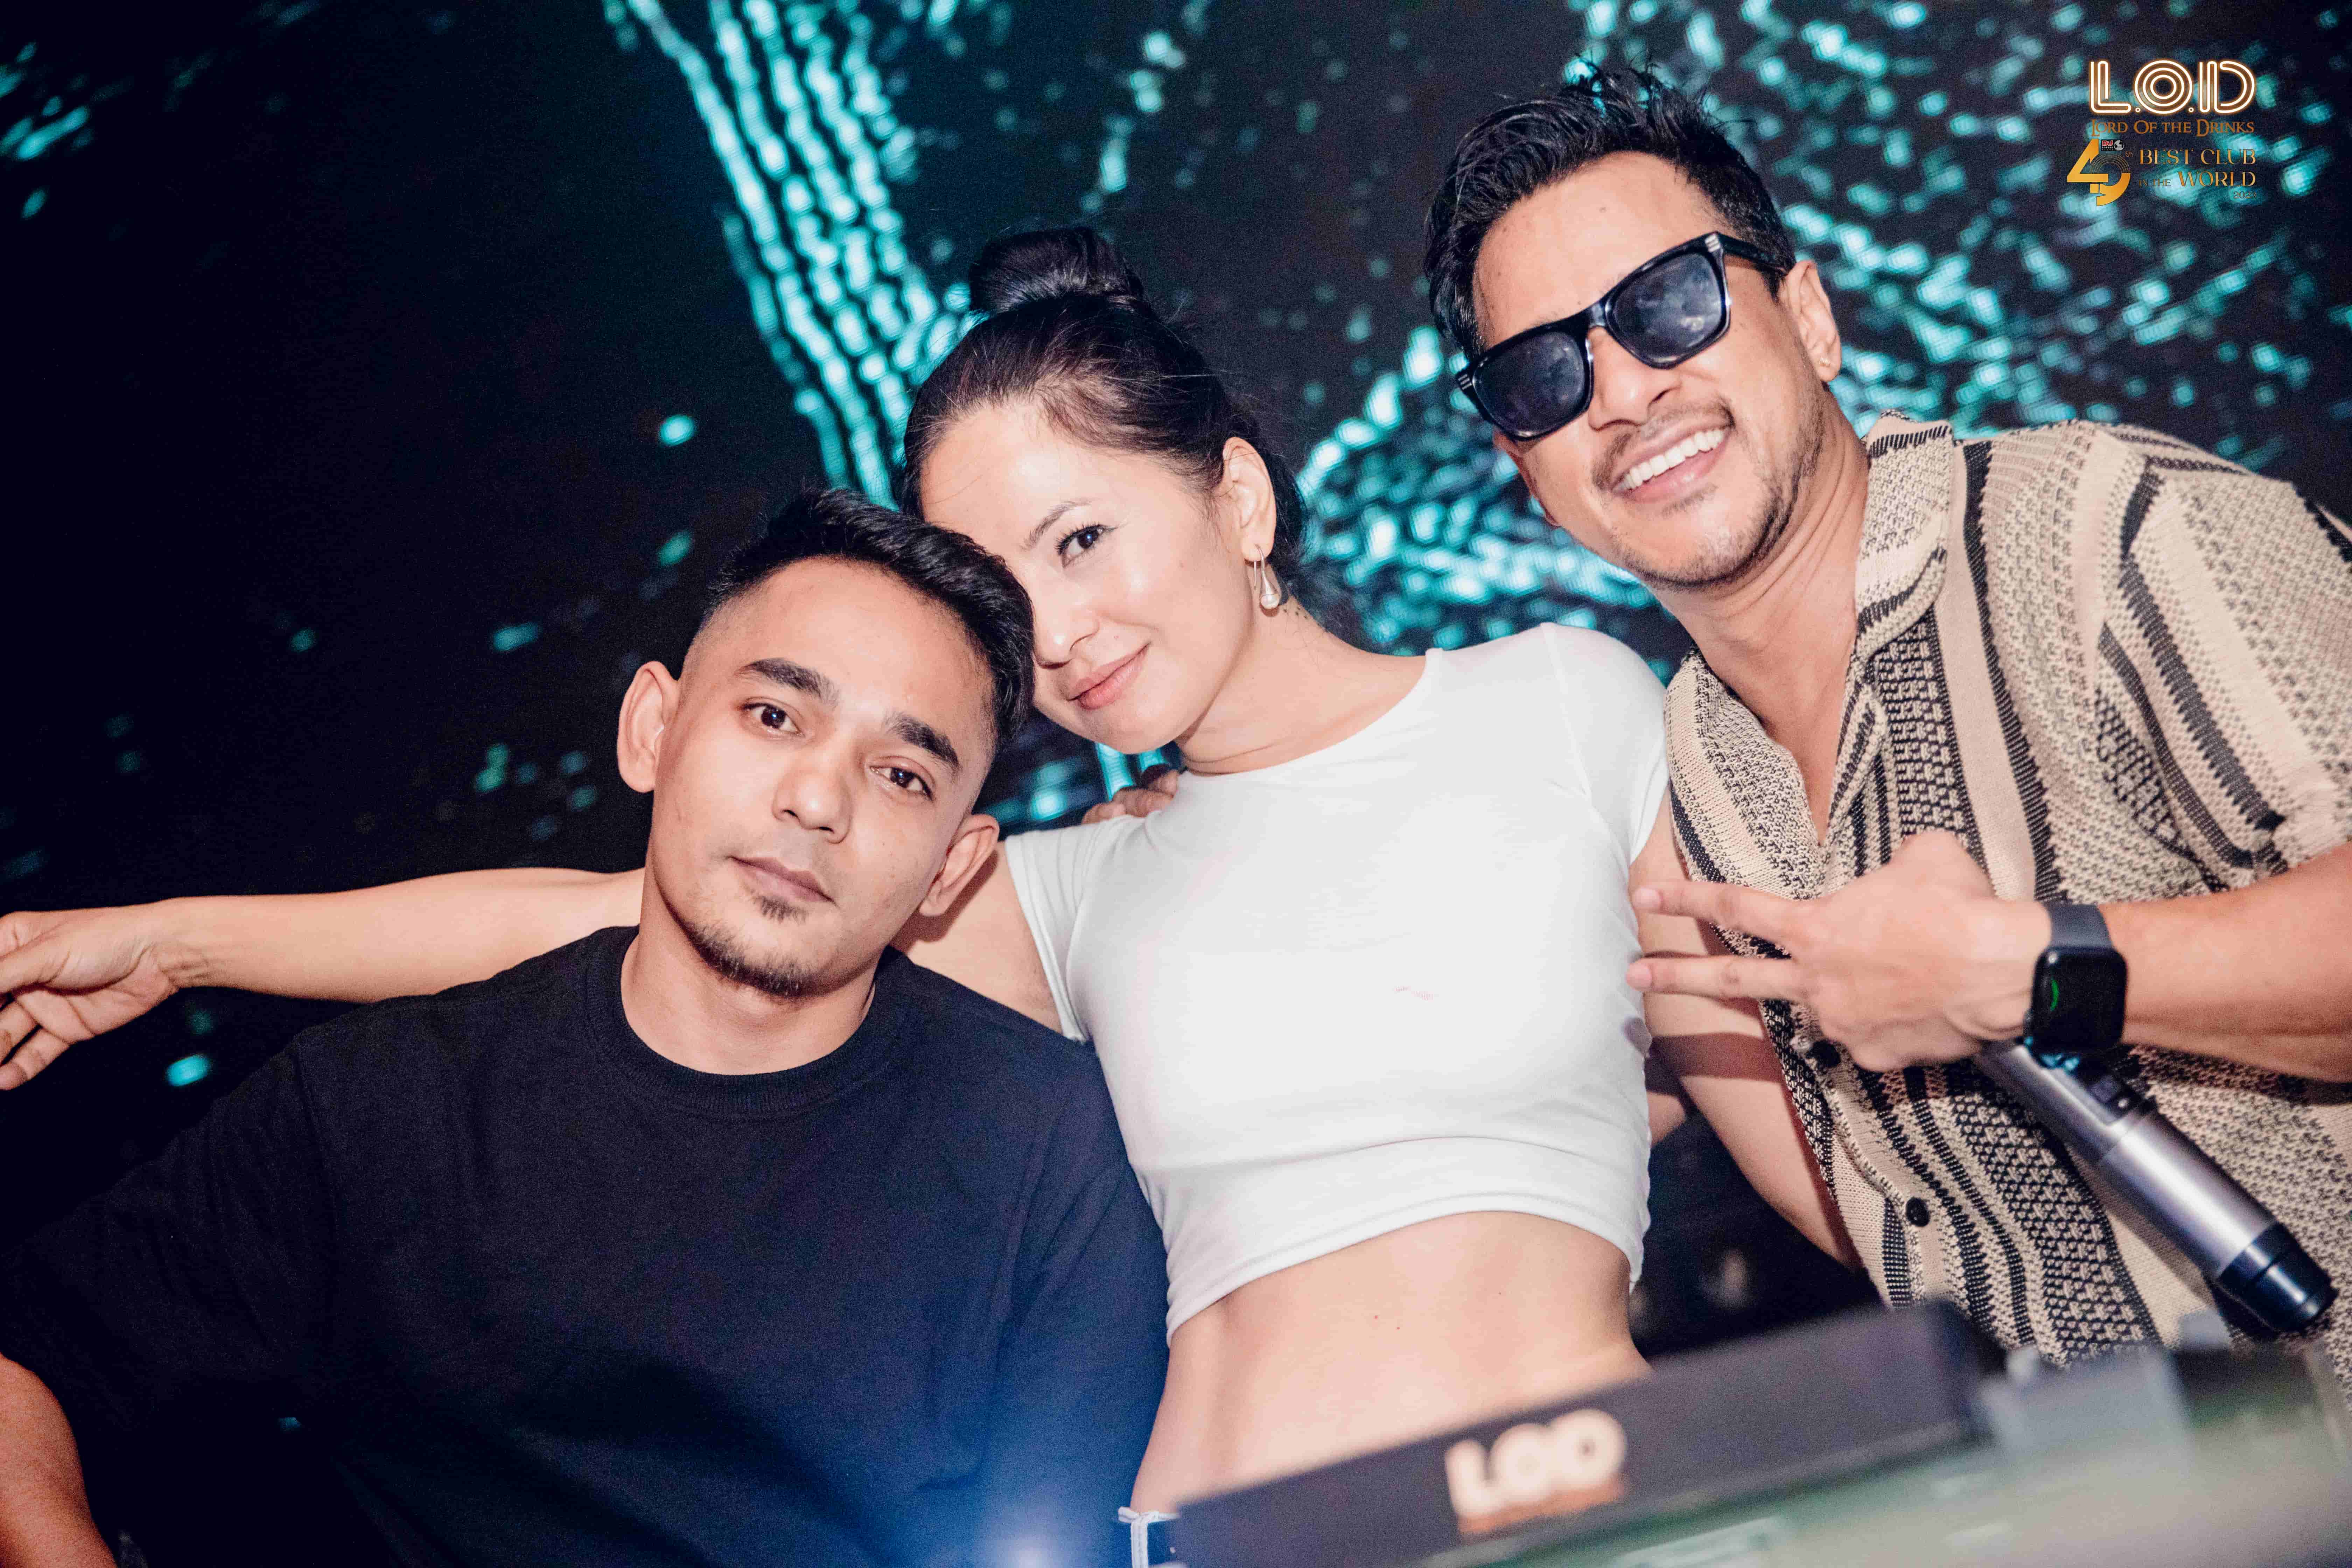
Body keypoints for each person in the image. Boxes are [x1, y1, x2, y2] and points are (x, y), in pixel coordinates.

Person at [0, 228, 1844, 1520]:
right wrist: (179, 941)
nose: (1062, 630)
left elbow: (1830, 1159)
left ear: (1236, 496)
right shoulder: (1070, 892)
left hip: (1588, 1512)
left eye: (1084, 537)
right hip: (1215, 1538)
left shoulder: (1567, 704)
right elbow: (632, 920)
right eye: (1009, 592)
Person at [0, 491, 1169, 1568]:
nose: (819, 800)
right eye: (773, 715)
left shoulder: (1053, 1163)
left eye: (904, 775)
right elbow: (30, 1356)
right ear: (652, 729)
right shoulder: (383, 1102)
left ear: (954, 867)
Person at [1419, 65, 2351, 1381]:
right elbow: (1897, 1233)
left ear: (1810, 318)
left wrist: (2028, 968)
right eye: (1542, 375)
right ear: (1526, 474)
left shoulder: (2101, 533)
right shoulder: (1695, 795)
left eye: (1669, 305)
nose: (1621, 393)